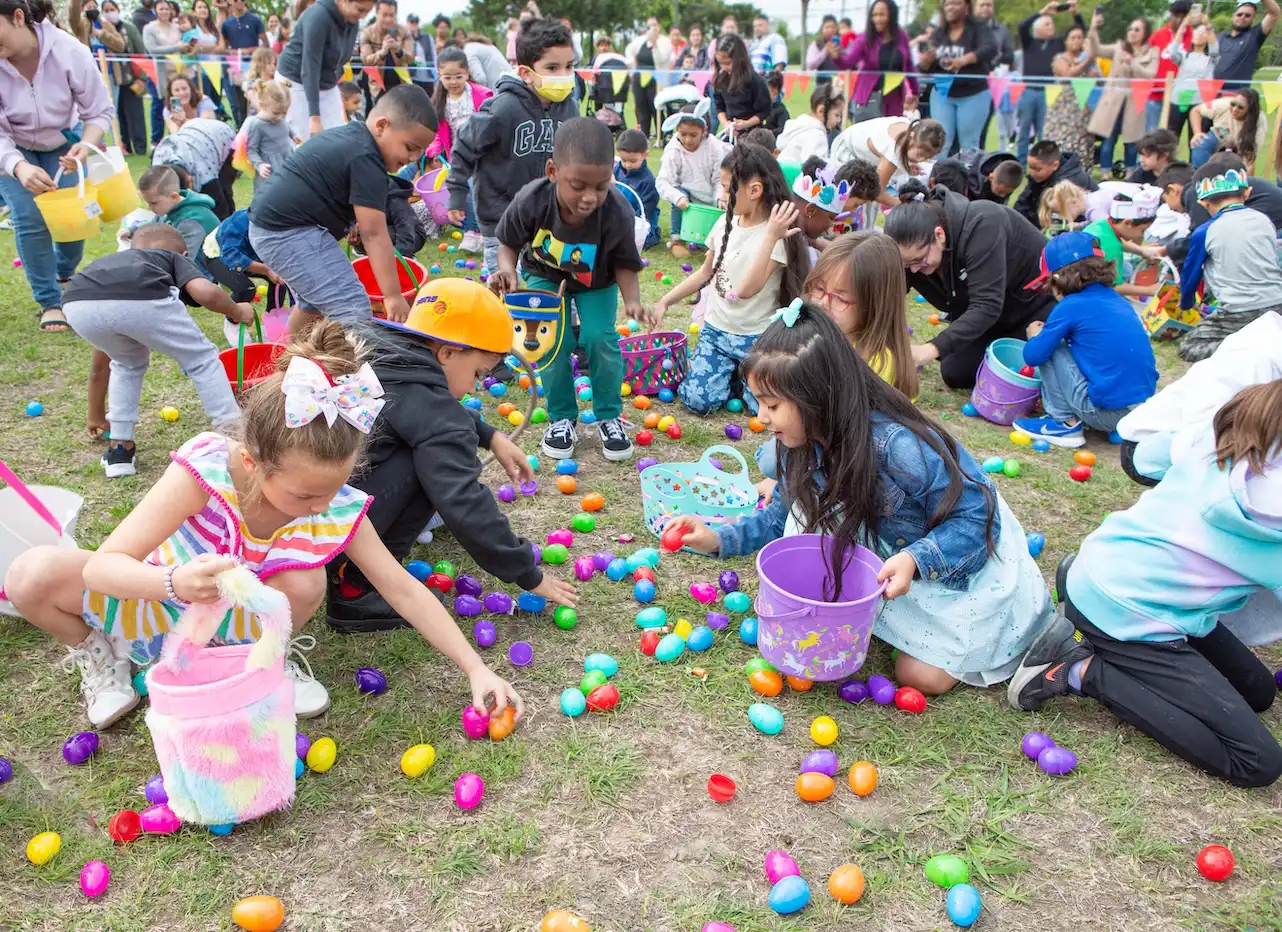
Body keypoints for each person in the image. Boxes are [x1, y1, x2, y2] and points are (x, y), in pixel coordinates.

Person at [5, 321, 527, 729]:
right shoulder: (206, 471)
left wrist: (474, 668)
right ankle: (106, 654)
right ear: (253, 463)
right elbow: (103, 569)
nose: (322, 506)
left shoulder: (334, 503)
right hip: (151, 597)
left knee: (305, 579)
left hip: (234, 620)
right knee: (30, 575)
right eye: (305, 494)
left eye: (333, 489)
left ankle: (264, 658)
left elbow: (402, 590)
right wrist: (172, 583)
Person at [669, 304, 1053, 695]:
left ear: (817, 397)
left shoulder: (899, 447)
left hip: (950, 555)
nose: (761, 419)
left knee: (921, 679)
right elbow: (780, 515)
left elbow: (975, 515)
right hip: (888, 553)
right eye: (758, 404)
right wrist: (719, 539)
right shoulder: (796, 443)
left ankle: (1018, 629)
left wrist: (915, 560)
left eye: (772, 405)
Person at [1009, 380, 1282, 788]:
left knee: (1258, 693)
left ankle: (1076, 586)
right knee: (1255, 761)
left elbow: (1147, 459)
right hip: (1132, 611)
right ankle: (1082, 670)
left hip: (1107, 569)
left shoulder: (1218, 437)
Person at [328, 285, 577, 629]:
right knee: (429, 471)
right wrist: (529, 575)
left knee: (424, 456)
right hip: (330, 531)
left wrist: (490, 435)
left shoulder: (384, 360)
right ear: (446, 353)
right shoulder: (437, 415)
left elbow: (420, 410)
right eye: (477, 374)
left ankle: (353, 567)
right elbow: (463, 501)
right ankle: (357, 588)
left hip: (302, 512)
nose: (475, 388)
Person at [490, 118, 644, 462]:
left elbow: (624, 262)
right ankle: (561, 417)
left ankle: (608, 416)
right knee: (551, 341)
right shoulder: (532, 199)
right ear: (552, 171)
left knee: (600, 338)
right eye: (578, 185)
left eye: (601, 186)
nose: (590, 197)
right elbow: (508, 242)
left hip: (597, 283)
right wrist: (506, 270)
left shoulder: (617, 210)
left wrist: (632, 301)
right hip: (543, 276)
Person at [63, 223, 251, 480]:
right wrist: (238, 311)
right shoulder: (171, 258)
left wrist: (95, 413)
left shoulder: (107, 265)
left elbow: (99, 365)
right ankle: (232, 435)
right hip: (142, 297)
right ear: (184, 254)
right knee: (201, 358)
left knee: (126, 363)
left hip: (76, 303)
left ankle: (120, 450)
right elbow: (205, 292)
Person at [249, 84, 437, 332]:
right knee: (353, 307)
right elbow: (374, 234)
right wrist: (392, 296)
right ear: (381, 126)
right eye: (410, 147)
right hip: (285, 232)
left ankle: (291, 362)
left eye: (421, 151)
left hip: (274, 228)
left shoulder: (355, 139)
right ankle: (352, 370)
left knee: (313, 303)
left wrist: (348, 222)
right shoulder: (367, 158)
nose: (414, 157)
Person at [652, 144, 810, 415]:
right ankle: (730, 375)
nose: (722, 195)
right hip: (716, 333)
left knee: (760, 407)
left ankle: (738, 377)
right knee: (698, 401)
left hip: (757, 340)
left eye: (727, 188)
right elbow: (705, 273)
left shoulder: (777, 235)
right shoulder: (725, 223)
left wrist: (771, 236)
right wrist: (666, 301)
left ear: (754, 190)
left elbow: (747, 289)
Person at [0, 0, 114, 334]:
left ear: (18, 17)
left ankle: (64, 271)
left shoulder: (69, 51)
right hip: (13, 150)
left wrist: (85, 144)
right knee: (30, 217)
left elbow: (99, 111)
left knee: (73, 219)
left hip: (65, 144)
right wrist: (18, 167)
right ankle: (50, 300)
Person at [886, 182, 1056, 389]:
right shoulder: (913, 251)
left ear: (939, 235)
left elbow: (986, 305)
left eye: (919, 260)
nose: (913, 270)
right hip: (992, 316)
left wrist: (928, 349)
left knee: (1028, 373)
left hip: (1035, 311)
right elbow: (886, 293)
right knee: (955, 372)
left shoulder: (983, 225)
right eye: (907, 264)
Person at [446, 18, 577, 278]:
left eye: (569, 66)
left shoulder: (569, 108)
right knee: (507, 286)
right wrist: (457, 192)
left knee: (547, 285)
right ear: (526, 72)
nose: (563, 75)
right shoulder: (502, 108)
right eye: (552, 67)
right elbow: (464, 147)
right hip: (500, 218)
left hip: (547, 219)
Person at [1013, 231, 1158, 447]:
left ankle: (1064, 423)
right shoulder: (1118, 301)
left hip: (1105, 414)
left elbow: (1033, 356)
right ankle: (1108, 422)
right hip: (1140, 410)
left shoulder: (1070, 306)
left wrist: (1035, 335)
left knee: (1048, 345)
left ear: (1059, 278)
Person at [1179, 157, 1282, 362]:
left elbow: (1191, 274)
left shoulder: (1204, 232)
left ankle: (1248, 349)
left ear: (1204, 202)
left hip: (1238, 311)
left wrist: (1186, 303)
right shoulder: (1264, 221)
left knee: (1189, 347)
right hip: (1278, 304)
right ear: (1247, 193)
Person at [806, 230, 917, 399]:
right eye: (819, 289)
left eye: (841, 299)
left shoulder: (877, 365)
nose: (823, 303)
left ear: (874, 305)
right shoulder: (823, 335)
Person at [423, 46, 490, 252]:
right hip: (457, 155)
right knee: (462, 189)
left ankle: (483, 231)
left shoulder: (481, 95)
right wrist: (434, 149)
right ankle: (471, 230)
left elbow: (492, 122)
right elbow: (436, 131)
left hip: (482, 152)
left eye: (458, 76)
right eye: (448, 77)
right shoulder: (439, 102)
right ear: (439, 75)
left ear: (467, 74)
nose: (453, 82)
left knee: (480, 189)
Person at [274, 0, 369, 140]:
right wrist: (315, 117)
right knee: (303, 137)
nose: (363, 16)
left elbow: (341, 60)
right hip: (296, 79)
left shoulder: (352, 22)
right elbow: (310, 69)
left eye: (367, 11)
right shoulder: (318, 16)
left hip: (326, 81)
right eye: (360, 9)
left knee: (339, 134)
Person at [916, 0, 996, 155]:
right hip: (942, 93)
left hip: (973, 93)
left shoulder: (979, 29)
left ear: (966, 7)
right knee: (938, 142)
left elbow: (989, 48)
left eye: (956, 3)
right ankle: (938, 177)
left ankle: (968, 178)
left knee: (969, 144)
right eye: (947, 4)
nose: (950, 7)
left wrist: (964, 60)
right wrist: (925, 63)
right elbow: (928, 68)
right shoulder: (938, 34)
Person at [1016, 2, 1087, 164]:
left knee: (1045, 131)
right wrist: (1042, 12)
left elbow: (1080, 32)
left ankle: (1042, 161)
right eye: (1047, 24)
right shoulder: (1029, 42)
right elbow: (1022, 26)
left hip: (1049, 91)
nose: (1051, 27)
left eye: (1052, 24)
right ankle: (1020, 162)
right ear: (1038, 28)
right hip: (1028, 91)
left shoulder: (1058, 43)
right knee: (1023, 130)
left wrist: (1075, 14)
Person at [1087, 13, 1158, 175]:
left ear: (1145, 33)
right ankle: (1105, 174)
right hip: (1113, 101)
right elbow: (1097, 49)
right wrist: (1093, 28)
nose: (1132, 32)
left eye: (1137, 29)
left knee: (1132, 142)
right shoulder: (1119, 47)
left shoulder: (1152, 52)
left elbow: (1150, 75)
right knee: (1108, 140)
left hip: (1134, 102)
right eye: (1130, 29)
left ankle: (1130, 174)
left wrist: (1131, 62)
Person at [656, 104, 730, 257]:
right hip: (686, 201)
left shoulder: (714, 147)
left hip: (710, 199)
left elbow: (719, 179)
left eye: (693, 135)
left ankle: (713, 239)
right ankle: (677, 239)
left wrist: (720, 197)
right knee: (679, 191)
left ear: (704, 131)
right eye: (683, 134)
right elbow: (663, 181)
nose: (687, 140)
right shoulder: (674, 150)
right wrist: (678, 198)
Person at [829, 117, 946, 207]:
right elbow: (876, 193)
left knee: (866, 202)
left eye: (926, 158)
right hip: (847, 152)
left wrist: (907, 166)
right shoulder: (893, 150)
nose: (920, 160)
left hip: (863, 156)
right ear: (912, 137)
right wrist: (902, 205)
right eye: (919, 155)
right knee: (855, 200)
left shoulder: (910, 129)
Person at [840, 0, 918, 121]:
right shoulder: (864, 38)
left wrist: (915, 92)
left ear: (892, 15)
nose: (877, 19)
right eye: (874, 15)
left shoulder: (902, 37)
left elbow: (909, 66)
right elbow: (847, 62)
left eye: (881, 14)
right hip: (869, 99)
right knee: (867, 138)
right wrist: (836, 56)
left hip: (894, 100)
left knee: (891, 137)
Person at [1082, 187, 1164, 296]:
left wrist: (1142, 251)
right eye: (1142, 230)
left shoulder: (1102, 225)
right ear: (1128, 222)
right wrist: (1150, 290)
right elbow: (1114, 286)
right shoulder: (1111, 247)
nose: (1142, 235)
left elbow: (1118, 241)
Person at [152, 118, 238, 219]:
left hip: (223, 136)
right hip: (193, 134)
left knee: (223, 189)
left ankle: (232, 223)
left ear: (190, 181)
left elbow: (220, 208)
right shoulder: (157, 173)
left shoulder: (205, 177)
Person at [138, 164, 221, 268]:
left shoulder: (191, 221)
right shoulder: (168, 207)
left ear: (174, 197)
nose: (149, 207)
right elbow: (152, 226)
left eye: (153, 203)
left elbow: (184, 261)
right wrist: (132, 230)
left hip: (204, 273)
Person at [1044, 22, 1097, 170]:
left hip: (1083, 108)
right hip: (1062, 111)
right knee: (1061, 143)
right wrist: (1088, 59)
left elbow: (1097, 78)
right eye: (1073, 37)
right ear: (1066, 41)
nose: (1076, 41)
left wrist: (1089, 60)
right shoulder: (1059, 58)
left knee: (1083, 143)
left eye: (1080, 37)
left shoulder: (1088, 59)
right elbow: (1068, 74)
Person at [1014, 140, 1098, 229]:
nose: (1032, 173)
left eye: (1037, 169)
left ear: (1055, 165)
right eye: (1030, 168)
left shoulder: (1069, 185)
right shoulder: (1039, 177)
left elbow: (1062, 221)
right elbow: (1023, 203)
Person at [202, 208, 279, 301]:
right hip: (218, 253)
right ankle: (232, 315)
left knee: (279, 280)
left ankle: (274, 314)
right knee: (245, 289)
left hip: (248, 250)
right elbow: (230, 255)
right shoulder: (240, 221)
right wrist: (267, 270)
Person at [1167, 12, 1218, 145]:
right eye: (1197, 32)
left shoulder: (1211, 59)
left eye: (1204, 33)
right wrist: (1184, 24)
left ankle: (1195, 165)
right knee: (1171, 137)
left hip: (1199, 102)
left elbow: (1214, 49)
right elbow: (1173, 51)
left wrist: (1207, 24)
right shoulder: (1184, 56)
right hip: (1178, 100)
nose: (1200, 34)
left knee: (1197, 137)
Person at [1190, 88, 1265, 171]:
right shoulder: (1223, 104)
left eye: (1240, 107)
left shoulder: (1259, 122)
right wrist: (1197, 133)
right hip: (1217, 137)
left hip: (1240, 147)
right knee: (1200, 143)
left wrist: (1246, 182)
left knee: (1235, 167)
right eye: (1233, 104)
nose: (1235, 109)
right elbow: (1196, 111)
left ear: (1249, 110)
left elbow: (1249, 161)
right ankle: (1200, 175)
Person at [713, 33, 771, 138]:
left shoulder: (754, 80)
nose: (724, 67)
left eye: (727, 63)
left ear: (739, 59)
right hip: (731, 132)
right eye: (720, 63)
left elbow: (765, 111)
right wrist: (725, 124)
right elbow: (719, 107)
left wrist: (747, 123)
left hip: (753, 133)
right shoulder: (721, 79)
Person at [243, 81, 297, 192]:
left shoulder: (278, 117)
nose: (280, 117)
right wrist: (260, 165)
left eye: (284, 113)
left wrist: (292, 134)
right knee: (272, 195)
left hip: (286, 161)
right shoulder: (256, 125)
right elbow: (251, 150)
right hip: (271, 170)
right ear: (262, 105)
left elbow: (284, 125)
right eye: (276, 113)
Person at [1149, 0, 1194, 134]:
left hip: (1181, 95)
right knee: (1150, 134)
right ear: (1170, 15)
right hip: (1156, 93)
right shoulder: (1158, 35)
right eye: (1176, 15)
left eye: (1184, 16)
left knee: (1171, 134)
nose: (1179, 20)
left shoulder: (1195, 36)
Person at [220, 0, 267, 124]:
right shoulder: (226, 24)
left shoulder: (255, 20)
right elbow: (224, 48)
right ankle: (242, 132)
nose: (239, 2)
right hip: (236, 67)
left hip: (254, 66)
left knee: (256, 101)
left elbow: (265, 45)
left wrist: (247, 50)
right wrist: (233, 53)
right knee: (239, 104)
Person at [1214, 0, 1280, 88]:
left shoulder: (1255, 35)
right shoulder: (1219, 37)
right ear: (1233, 16)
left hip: (1238, 94)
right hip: (1211, 91)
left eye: (1248, 15)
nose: (1243, 17)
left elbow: (1274, 13)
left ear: (1253, 18)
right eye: (1239, 14)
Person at [626, 17, 672, 139]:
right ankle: (644, 136)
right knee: (642, 108)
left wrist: (655, 44)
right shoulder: (640, 40)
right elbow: (629, 51)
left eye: (654, 25)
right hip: (639, 78)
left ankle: (661, 135)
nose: (652, 28)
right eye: (649, 26)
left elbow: (663, 58)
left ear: (659, 26)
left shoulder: (664, 42)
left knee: (656, 108)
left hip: (656, 80)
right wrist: (633, 63)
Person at [614, 129, 661, 250]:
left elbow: (647, 209)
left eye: (633, 161)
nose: (628, 165)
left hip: (639, 219)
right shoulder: (617, 170)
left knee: (639, 240)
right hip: (618, 216)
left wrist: (628, 220)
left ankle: (653, 234)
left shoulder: (648, 181)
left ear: (645, 155)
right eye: (624, 160)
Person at [359, 0, 415, 98]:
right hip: (377, 86)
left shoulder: (405, 32)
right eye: (384, 15)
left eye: (392, 15)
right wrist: (382, 52)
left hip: (401, 85)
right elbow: (366, 60)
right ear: (376, 14)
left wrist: (398, 51)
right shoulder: (367, 33)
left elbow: (411, 58)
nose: (388, 19)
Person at [777, 85, 843, 165]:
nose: (839, 120)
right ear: (821, 111)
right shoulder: (816, 135)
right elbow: (813, 168)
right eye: (837, 115)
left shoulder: (801, 126)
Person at [762, 71, 790, 139]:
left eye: (766, 89)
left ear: (775, 91)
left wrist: (766, 134)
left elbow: (783, 130)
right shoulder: (758, 107)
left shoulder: (780, 110)